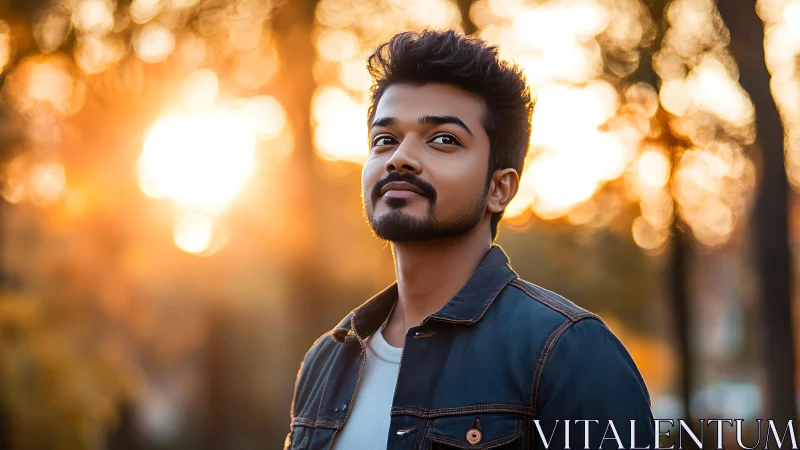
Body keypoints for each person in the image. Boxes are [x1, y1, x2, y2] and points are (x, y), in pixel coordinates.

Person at [284, 29, 655, 450]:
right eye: (384, 139)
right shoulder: (328, 359)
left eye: (444, 139)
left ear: (499, 189)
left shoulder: (569, 352)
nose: (400, 157)